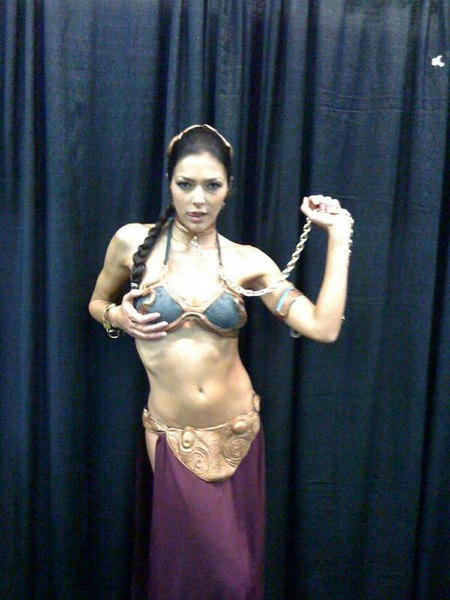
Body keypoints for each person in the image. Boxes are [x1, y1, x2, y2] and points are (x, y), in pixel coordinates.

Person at [88, 124, 353, 600]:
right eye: (185, 184)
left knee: (237, 580)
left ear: (228, 189)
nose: (198, 199)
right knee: (191, 576)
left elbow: (323, 326)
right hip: (173, 438)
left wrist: (338, 235)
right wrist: (117, 317)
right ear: (169, 183)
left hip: (239, 433)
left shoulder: (247, 261)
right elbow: (96, 302)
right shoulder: (132, 242)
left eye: (212, 185)